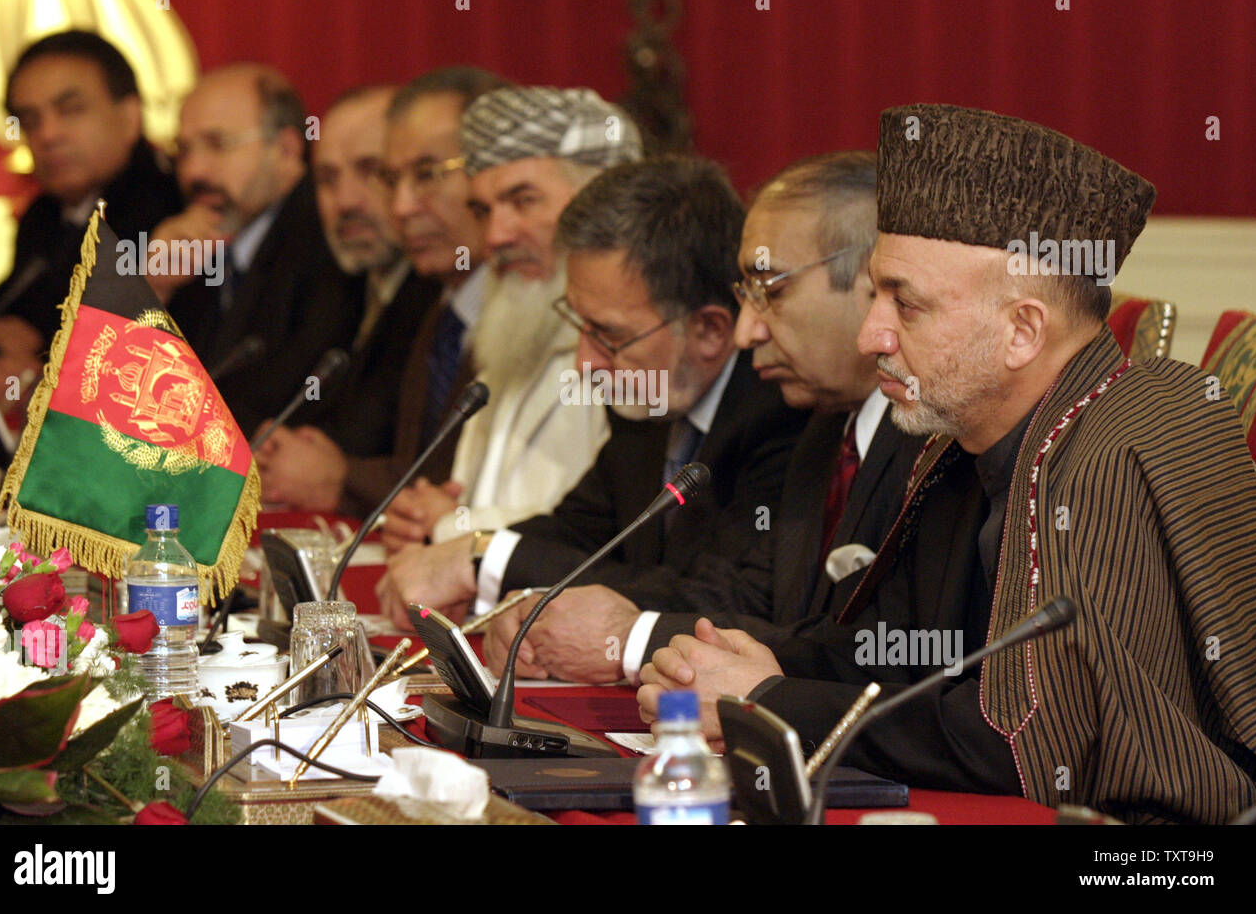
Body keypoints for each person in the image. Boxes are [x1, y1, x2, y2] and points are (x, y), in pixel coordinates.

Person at [638, 104, 1256, 824]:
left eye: (907, 306)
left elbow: (1025, 741)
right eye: (876, 292)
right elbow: (904, 661)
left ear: (1022, 330)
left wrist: (770, 700)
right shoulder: (958, 441)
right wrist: (727, 665)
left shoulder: (1121, 440)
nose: (873, 334)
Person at [482, 152, 927, 684]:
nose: (748, 334)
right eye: (747, 295)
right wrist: (527, 590)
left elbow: (898, 664)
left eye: (772, 292)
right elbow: (776, 611)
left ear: (877, 287)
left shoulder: (922, 439)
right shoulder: (825, 428)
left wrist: (630, 639)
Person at [377, 155, 810, 638]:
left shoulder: (784, 415)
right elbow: (581, 532)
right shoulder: (646, 397)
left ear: (710, 330)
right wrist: (462, 550)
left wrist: (487, 558)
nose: (586, 363)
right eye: (579, 324)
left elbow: (718, 599)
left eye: (608, 335)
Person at [377, 85, 635, 548]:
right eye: (482, 209)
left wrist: (453, 527)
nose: (495, 236)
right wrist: (427, 519)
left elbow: (611, 536)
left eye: (523, 201)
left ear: (599, 205)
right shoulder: (505, 339)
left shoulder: (637, 354)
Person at [254, 66, 508, 515]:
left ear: (496, 173)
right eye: (393, 180)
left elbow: (476, 493)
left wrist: (340, 479)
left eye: (428, 174)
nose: (403, 207)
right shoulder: (440, 308)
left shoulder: (538, 315)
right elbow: (420, 469)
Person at [0, 30, 181, 406]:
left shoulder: (166, 210)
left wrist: (32, 360)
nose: (47, 135)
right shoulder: (44, 215)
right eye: (31, 120)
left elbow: (98, 349)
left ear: (130, 116)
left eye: (71, 109)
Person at [159, 64, 359, 437]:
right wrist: (154, 291)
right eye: (183, 151)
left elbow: (262, 402)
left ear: (285, 148)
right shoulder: (195, 241)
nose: (193, 171)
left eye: (218, 144)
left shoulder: (329, 242)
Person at [256, 85, 441, 469]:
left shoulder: (439, 293)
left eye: (370, 171)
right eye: (327, 178)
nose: (345, 201)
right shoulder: (336, 287)